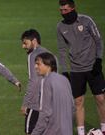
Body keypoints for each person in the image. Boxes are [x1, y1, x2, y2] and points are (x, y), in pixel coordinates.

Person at [57, 0, 105, 134]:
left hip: (93, 67)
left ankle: (104, 129)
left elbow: (98, 40)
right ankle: (81, 132)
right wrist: (65, 71)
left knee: (101, 98)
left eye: (65, 10)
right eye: (61, 10)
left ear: (73, 8)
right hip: (76, 70)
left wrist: (99, 60)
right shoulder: (60, 27)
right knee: (78, 101)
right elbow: (61, 50)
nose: (63, 13)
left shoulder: (87, 21)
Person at [31, 52, 74, 135]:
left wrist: (35, 133)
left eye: (38, 64)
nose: (35, 67)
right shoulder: (64, 79)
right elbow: (72, 107)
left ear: (48, 65)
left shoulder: (45, 81)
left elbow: (45, 113)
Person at [19, 29, 50, 135]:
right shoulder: (48, 53)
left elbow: (33, 81)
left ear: (34, 41)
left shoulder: (33, 56)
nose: (23, 46)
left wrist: (25, 103)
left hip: (36, 104)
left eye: (25, 43)